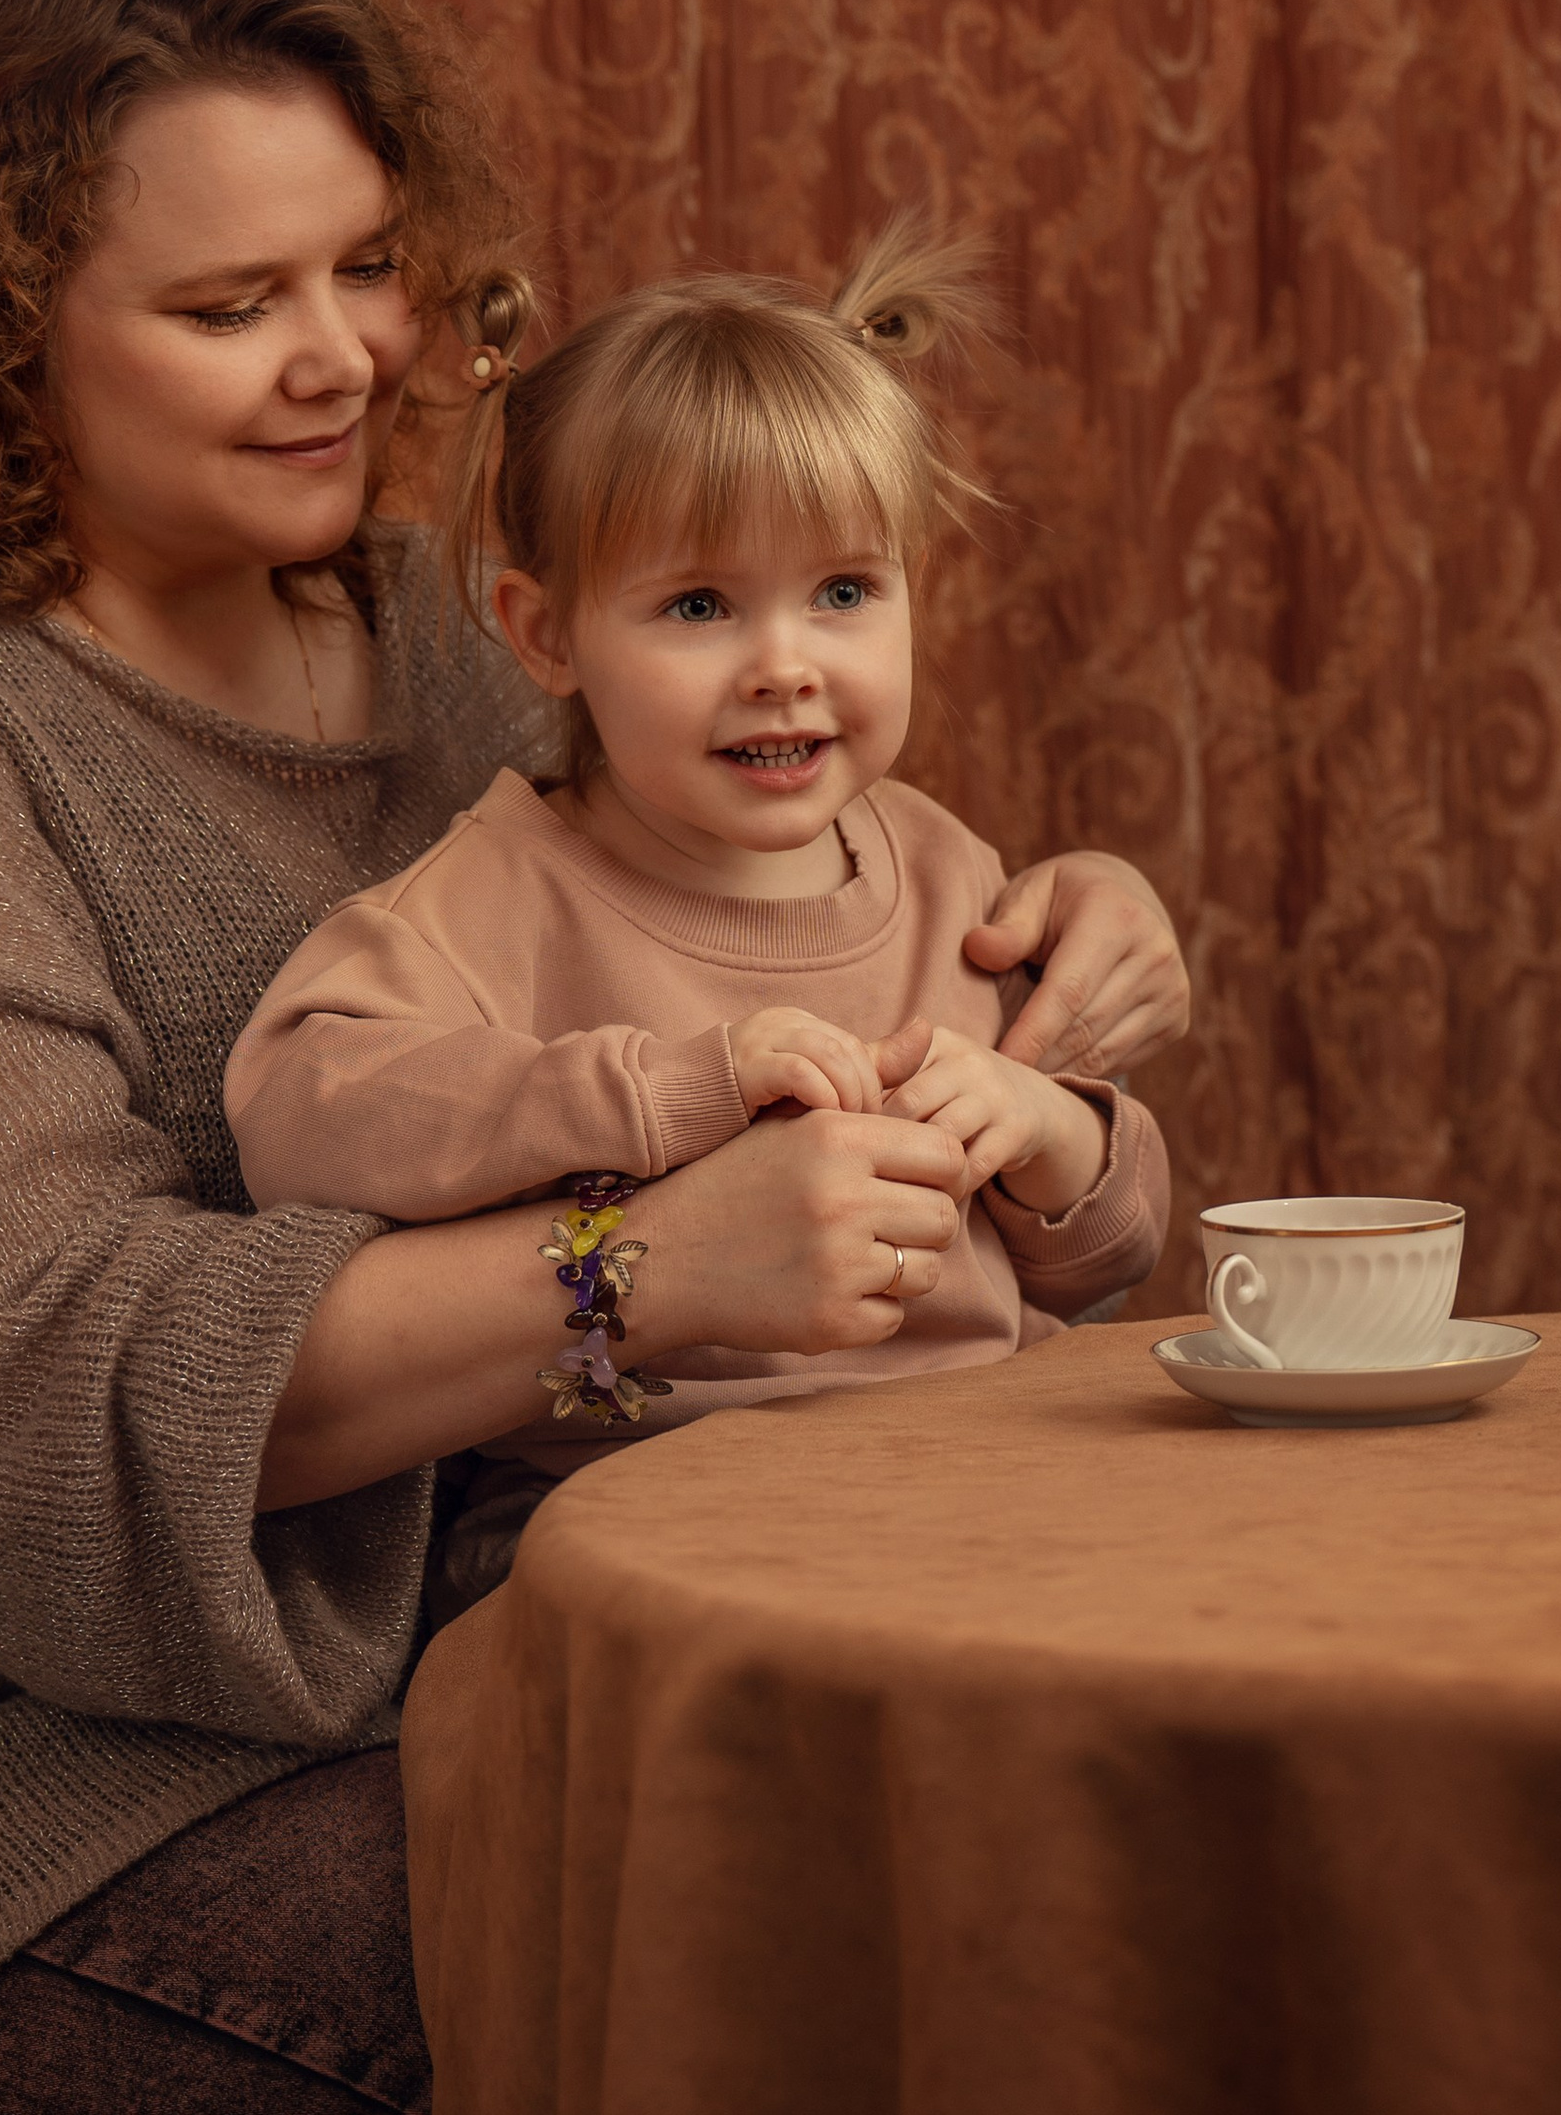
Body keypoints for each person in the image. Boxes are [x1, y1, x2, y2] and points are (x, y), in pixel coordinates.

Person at [0, 0, 1192, 2110]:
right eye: (227, 301)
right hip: (6, 1810)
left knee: (1062, 1830)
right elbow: (43, 1417)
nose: (348, 356)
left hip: (520, 1642)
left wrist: (1041, 951)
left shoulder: (430, 624)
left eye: (366, 264)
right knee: (838, 1930)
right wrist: (632, 1275)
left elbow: (696, 907)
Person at [226, 230, 1171, 1614]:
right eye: (700, 605)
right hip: (627, 1533)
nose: (784, 667)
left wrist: (1045, 1128)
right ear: (544, 636)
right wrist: (659, 1092)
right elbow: (296, 1112)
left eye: (845, 592)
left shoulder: (941, 870)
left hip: (975, 1493)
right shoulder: (502, 890)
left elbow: (1109, 1256)